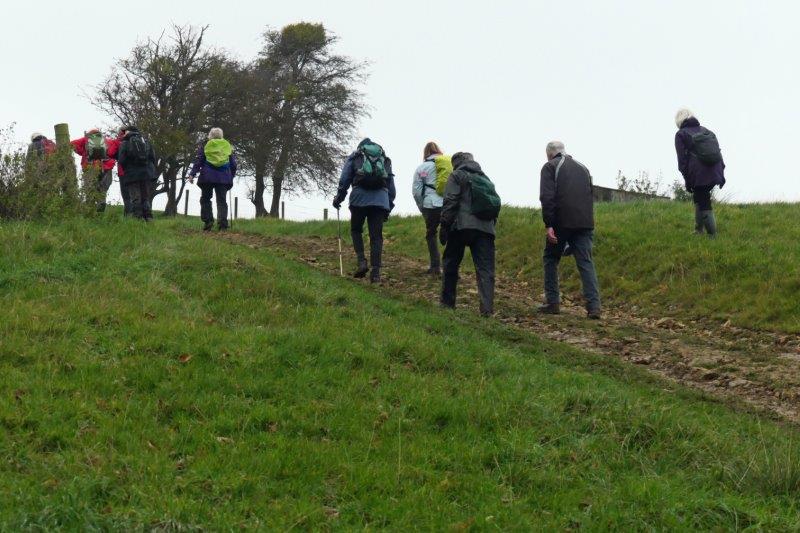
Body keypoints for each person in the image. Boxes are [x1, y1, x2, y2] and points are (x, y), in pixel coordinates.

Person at [538, 141, 601, 320]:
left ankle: (552, 302)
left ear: (549, 154)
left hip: (561, 222)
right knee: (586, 262)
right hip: (585, 222)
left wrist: (549, 224)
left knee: (550, 258)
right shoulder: (583, 168)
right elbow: (590, 194)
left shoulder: (549, 167)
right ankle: (594, 307)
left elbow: (547, 196)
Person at [439, 152, 498, 317]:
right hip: (486, 229)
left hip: (462, 227)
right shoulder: (486, 179)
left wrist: (444, 225)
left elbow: (450, 201)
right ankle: (487, 310)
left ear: (455, 163)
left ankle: (447, 303)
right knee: (486, 270)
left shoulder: (457, 175)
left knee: (451, 263)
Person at [333, 138, 396, 283]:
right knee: (376, 237)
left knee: (356, 230)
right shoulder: (384, 159)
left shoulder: (355, 156)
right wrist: (388, 206)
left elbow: (345, 179)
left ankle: (362, 262)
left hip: (358, 200)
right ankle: (376, 273)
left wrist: (339, 198)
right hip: (380, 201)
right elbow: (391, 186)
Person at [674, 108, 726, 237]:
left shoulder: (681, 134)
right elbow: (719, 154)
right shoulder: (707, 131)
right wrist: (722, 174)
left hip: (699, 173)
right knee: (700, 197)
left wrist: (687, 180)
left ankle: (712, 235)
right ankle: (698, 230)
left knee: (703, 201)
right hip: (715, 170)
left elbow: (682, 161)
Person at [189, 127, 237, 231]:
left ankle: (208, 221)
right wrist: (231, 176)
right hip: (223, 178)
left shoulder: (206, 146)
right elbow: (233, 164)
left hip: (207, 177)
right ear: (221, 135)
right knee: (221, 201)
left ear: (210, 136)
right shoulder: (227, 146)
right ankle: (223, 225)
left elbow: (199, 161)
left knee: (205, 198)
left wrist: (192, 174)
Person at [412, 142, 446, 275]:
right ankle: (451, 268)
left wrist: (422, 207)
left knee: (431, 233)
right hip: (448, 204)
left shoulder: (422, 168)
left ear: (425, 153)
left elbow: (416, 191)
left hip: (431, 205)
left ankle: (435, 266)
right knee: (451, 234)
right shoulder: (448, 166)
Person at [71, 128, 117, 212]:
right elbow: (113, 152)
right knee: (103, 187)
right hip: (106, 167)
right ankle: (101, 204)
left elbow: (72, 144)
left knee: (90, 188)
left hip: (90, 167)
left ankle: (90, 210)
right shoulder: (108, 141)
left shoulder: (85, 139)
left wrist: (82, 152)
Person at [117, 126, 157, 221]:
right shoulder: (146, 141)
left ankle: (138, 219)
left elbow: (121, 160)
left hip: (132, 175)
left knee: (135, 197)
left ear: (128, 132)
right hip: (146, 174)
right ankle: (149, 217)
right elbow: (153, 158)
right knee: (145, 196)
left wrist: (127, 168)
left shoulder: (125, 143)